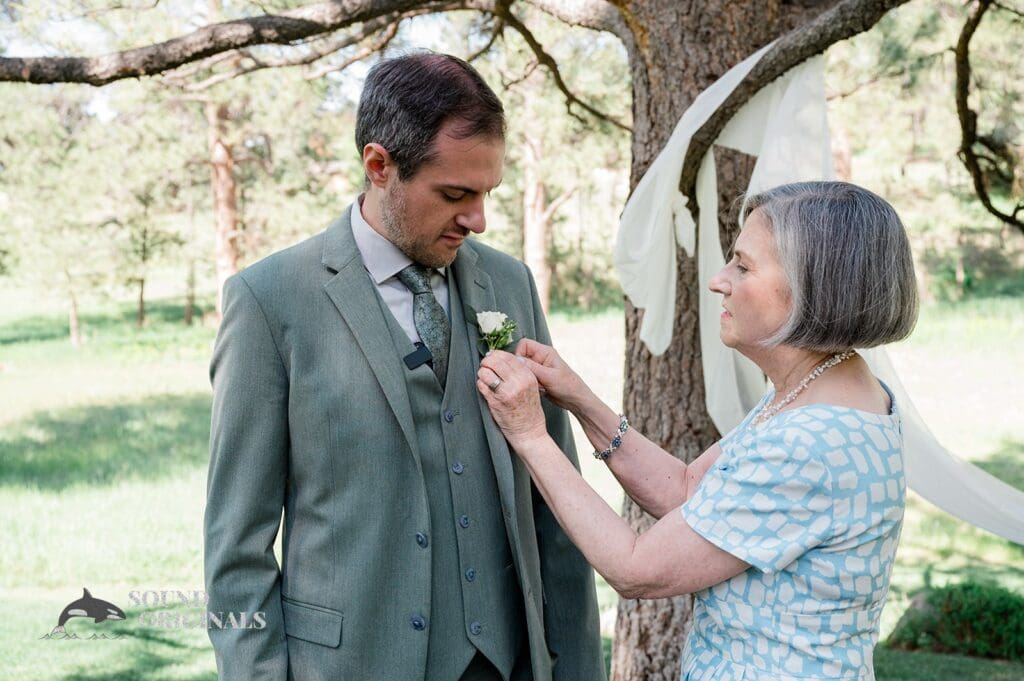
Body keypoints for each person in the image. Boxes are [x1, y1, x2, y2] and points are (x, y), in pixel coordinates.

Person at [204, 52, 604, 681]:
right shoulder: (270, 301)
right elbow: (237, 551)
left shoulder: (509, 283)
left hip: (506, 664)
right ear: (379, 165)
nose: (477, 219)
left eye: (486, 193)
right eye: (455, 194)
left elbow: (554, 506)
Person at [477, 181, 919, 680]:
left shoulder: (811, 441)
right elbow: (689, 492)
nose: (718, 281)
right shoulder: (822, 388)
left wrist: (531, 435)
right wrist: (580, 399)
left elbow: (635, 568)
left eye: (743, 266)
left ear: (811, 287)